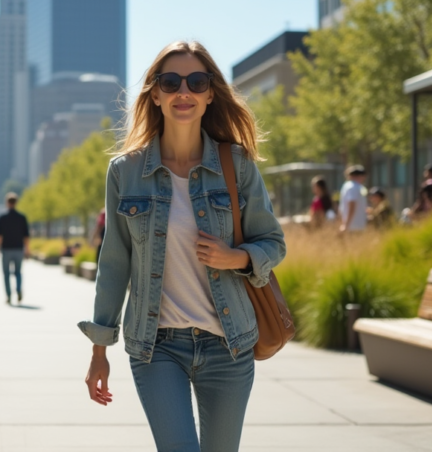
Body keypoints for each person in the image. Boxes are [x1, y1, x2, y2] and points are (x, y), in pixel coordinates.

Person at [80, 41, 286, 452]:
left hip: (229, 345)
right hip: (156, 347)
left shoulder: (237, 163)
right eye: (170, 82)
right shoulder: (126, 171)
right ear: (155, 94)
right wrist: (99, 348)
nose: (183, 93)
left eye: (196, 81)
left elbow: (273, 242)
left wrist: (238, 258)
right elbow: (114, 263)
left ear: (211, 93)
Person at [0, 193, 30, 305]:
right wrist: (27, 249)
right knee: (18, 272)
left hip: (6, 249)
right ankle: (18, 290)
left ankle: (8, 295)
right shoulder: (22, 217)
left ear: (7, 203)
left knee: (6, 273)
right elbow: (26, 236)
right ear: (16, 203)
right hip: (18, 249)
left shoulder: (2, 218)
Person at [339, 165, 368, 233]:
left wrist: (345, 224)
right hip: (355, 225)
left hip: (352, 225)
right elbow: (352, 205)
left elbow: (352, 205)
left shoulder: (351, 186)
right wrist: (346, 225)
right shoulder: (353, 187)